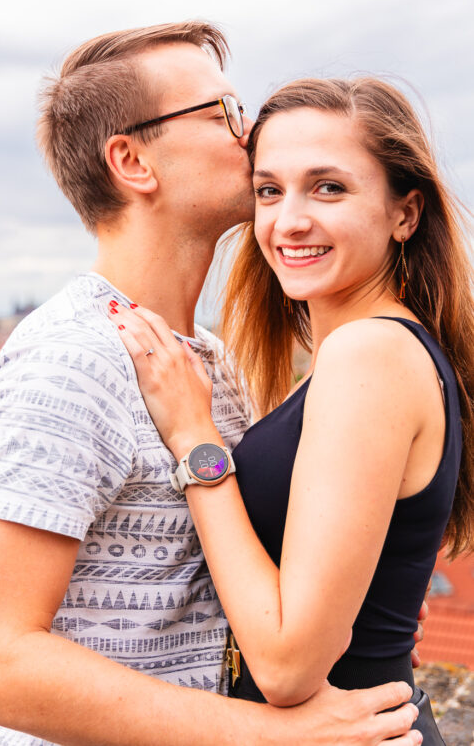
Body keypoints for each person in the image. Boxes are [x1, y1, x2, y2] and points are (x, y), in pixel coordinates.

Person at [0, 24, 423, 746]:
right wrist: (265, 732)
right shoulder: (70, 360)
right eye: (222, 113)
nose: (251, 132)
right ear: (133, 160)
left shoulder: (209, 361)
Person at [111, 77, 474, 743]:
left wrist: (196, 441)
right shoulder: (382, 348)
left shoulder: (369, 355)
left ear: (405, 212)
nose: (289, 220)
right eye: (269, 190)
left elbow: (286, 664)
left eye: (328, 187)